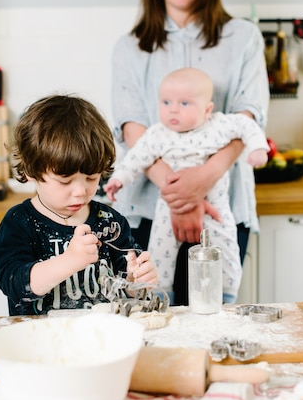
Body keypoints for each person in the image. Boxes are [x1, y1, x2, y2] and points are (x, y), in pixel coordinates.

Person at [110, 0, 269, 305]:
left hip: (221, 206)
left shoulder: (244, 38)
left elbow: (248, 118)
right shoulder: (129, 48)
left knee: (214, 316)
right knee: (155, 319)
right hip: (148, 212)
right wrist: (177, 193)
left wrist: (201, 180)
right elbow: (134, 128)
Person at [105, 68, 269, 302]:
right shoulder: (158, 134)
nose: (173, 109)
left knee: (226, 248)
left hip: (215, 206)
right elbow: (136, 156)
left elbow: (247, 125)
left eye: (184, 103)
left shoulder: (218, 125)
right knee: (159, 253)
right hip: (169, 206)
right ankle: (162, 296)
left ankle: (227, 295)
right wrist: (118, 178)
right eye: (166, 102)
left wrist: (258, 148)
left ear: (207, 109)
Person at [0, 94, 158, 315]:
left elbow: (129, 289)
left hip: (102, 340)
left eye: (91, 178)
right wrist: (69, 261)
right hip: (41, 344)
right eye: (65, 181)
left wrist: (137, 280)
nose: (81, 192)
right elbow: (14, 285)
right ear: (31, 171)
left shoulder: (111, 223)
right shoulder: (19, 223)